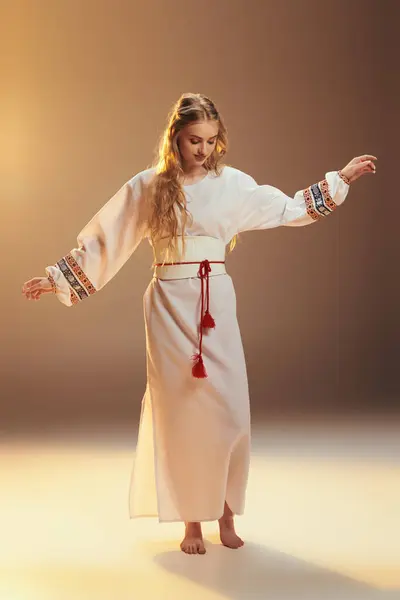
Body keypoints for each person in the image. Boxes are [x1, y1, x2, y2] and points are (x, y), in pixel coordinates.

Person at [22, 93, 377, 555]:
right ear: (176, 138)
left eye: (211, 141)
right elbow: (108, 238)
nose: (203, 150)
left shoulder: (232, 185)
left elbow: (290, 209)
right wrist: (57, 279)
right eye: (194, 140)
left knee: (228, 407)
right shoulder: (149, 186)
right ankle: (191, 522)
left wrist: (340, 179)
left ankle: (225, 513)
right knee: (182, 411)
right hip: (169, 303)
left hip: (216, 305)